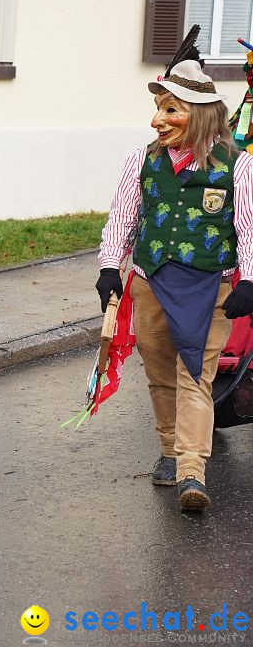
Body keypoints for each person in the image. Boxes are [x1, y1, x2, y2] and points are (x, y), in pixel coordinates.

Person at [97, 35, 253, 511]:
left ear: (200, 114)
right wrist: (109, 267)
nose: (156, 121)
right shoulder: (139, 162)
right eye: (158, 111)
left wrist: (248, 279)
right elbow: (122, 218)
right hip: (149, 282)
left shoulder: (238, 167)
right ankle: (169, 449)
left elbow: (248, 227)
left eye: (170, 111)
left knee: (196, 377)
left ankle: (192, 471)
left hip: (211, 286)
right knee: (162, 374)